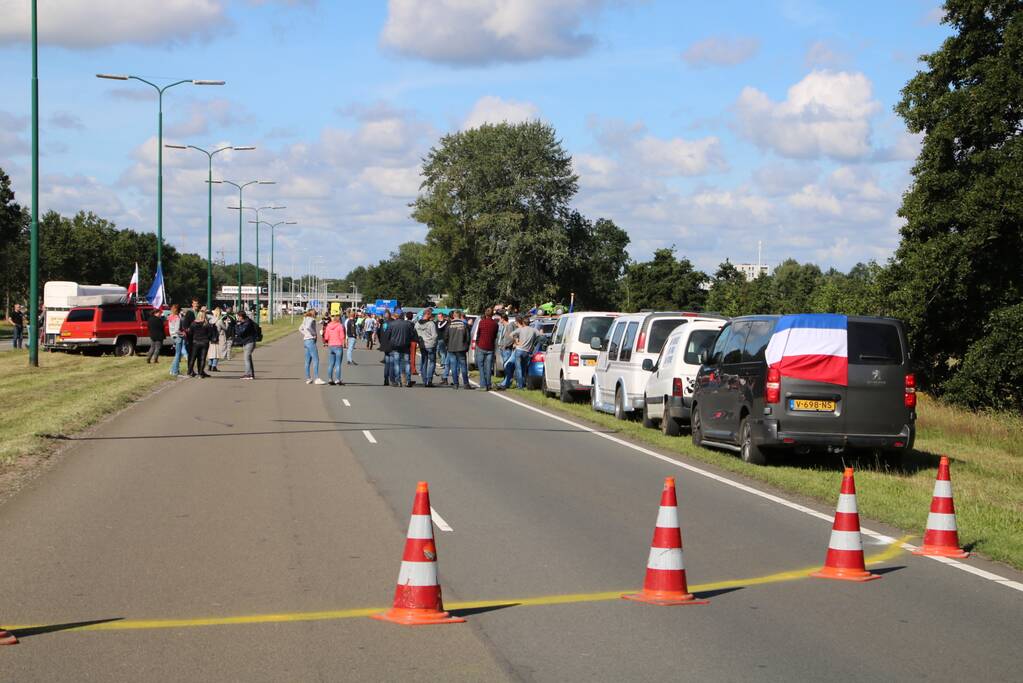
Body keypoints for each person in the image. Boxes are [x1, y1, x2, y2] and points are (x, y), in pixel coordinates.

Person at [497, 316, 539, 390]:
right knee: (523, 368)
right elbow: (540, 335)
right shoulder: (534, 330)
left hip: (519, 350)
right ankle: (522, 383)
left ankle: (520, 386)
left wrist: (516, 341)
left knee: (518, 369)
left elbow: (511, 335)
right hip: (527, 352)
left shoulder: (520, 329)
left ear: (523, 322)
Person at [387, 310, 416, 387]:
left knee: (397, 363)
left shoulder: (392, 324)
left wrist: (391, 341)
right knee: (407, 363)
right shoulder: (408, 324)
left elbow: (388, 335)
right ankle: (408, 380)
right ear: (403, 316)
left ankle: (398, 380)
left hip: (395, 345)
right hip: (405, 345)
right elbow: (412, 334)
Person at [445, 310, 472, 390]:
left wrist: (448, 345)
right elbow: (468, 337)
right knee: (463, 366)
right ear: (460, 316)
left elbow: (445, 337)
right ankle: (466, 384)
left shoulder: (449, 325)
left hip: (452, 348)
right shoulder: (464, 324)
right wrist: (466, 346)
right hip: (461, 348)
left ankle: (455, 384)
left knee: (453, 366)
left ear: (453, 316)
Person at [475, 307, 500, 391]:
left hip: (481, 346)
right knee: (489, 367)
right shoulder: (495, 324)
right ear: (492, 314)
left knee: (481, 366)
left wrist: (477, 343)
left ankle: (483, 384)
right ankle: (488, 384)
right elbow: (495, 336)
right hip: (490, 347)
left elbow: (478, 334)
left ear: (485, 314)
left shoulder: (482, 322)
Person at [414, 308, 440, 387]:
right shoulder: (431, 324)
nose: (431, 316)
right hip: (430, 344)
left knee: (424, 362)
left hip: (422, 345)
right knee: (432, 362)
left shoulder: (417, 324)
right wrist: (434, 343)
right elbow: (435, 335)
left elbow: (415, 334)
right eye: (431, 315)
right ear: (427, 314)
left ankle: (424, 380)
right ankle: (429, 380)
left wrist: (419, 341)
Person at [300, 309, 325, 385]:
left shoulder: (305, 319)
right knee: (316, 359)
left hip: (306, 340)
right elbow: (308, 327)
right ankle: (317, 378)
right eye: (316, 313)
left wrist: (305, 334)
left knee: (308, 360)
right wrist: (313, 334)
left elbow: (300, 328)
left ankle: (308, 378)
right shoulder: (312, 319)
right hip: (311, 340)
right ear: (314, 314)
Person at [186, 306, 212, 378]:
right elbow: (210, 334)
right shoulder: (206, 324)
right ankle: (200, 373)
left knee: (193, 358)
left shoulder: (193, 324)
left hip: (195, 341)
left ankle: (189, 372)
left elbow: (190, 333)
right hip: (205, 342)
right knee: (203, 358)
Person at [324, 313, 346, 386]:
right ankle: (337, 379)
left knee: (331, 364)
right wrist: (344, 343)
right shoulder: (340, 326)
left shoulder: (328, 326)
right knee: (338, 364)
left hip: (331, 346)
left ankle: (330, 379)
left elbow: (326, 337)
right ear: (338, 319)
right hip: (338, 345)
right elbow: (342, 336)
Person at [235, 310, 257, 379]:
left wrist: (237, 326)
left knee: (246, 358)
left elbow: (240, 332)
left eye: (238, 316)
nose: (237, 318)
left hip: (249, 342)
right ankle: (251, 374)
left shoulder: (247, 323)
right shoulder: (246, 322)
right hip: (247, 342)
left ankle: (248, 374)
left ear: (241, 316)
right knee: (248, 359)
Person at [207, 307, 229, 372]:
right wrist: (227, 323)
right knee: (217, 353)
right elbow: (225, 328)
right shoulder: (219, 321)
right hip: (218, 338)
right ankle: (214, 366)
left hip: (211, 338)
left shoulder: (210, 320)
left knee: (211, 352)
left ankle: (209, 365)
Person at [378, 311, 395, 385]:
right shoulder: (392, 323)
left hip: (384, 345)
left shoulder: (383, 324)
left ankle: (386, 379)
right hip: (391, 345)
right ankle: (392, 379)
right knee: (391, 363)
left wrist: (381, 342)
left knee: (387, 363)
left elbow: (379, 333)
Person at [168, 304, 185, 377]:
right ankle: (175, 371)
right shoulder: (177, 318)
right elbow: (177, 330)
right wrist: (183, 333)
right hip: (178, 336)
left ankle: (173, 370)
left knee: (177, 354)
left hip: (173, 336)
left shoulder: (170, 317)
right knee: (178, 354)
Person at [435, 312, 450, 385]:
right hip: (438, 339)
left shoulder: (445, 322)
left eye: (440, 316)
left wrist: (442, 321)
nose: (439, 318)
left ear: (442, 316)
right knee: (440, 352)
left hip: (443, 339)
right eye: (438, 316)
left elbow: (439, 327)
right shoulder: (437, 322)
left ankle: (443, 363)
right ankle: (443, 362)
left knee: (442, 352)